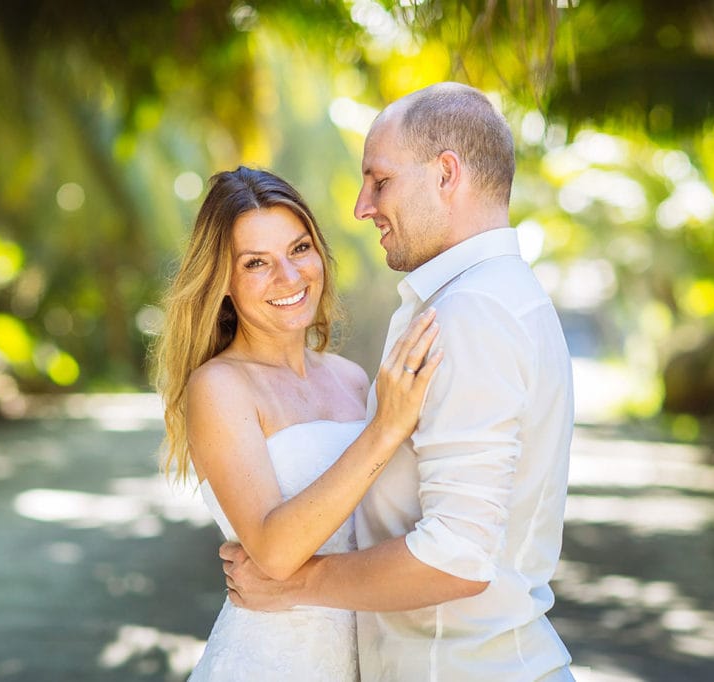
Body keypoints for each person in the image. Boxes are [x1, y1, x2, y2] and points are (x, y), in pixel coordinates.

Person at [220, 82, 577, 681]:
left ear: (445, 174)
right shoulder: (493, 298)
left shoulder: (471, 314)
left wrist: (295, 584)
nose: (362, 207)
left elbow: (458, 558)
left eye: (379, 180)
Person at [153, 166, 444, 680]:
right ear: (222, 281)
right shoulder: (219, 387)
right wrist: (384, 430)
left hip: (370, 660)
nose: (289, 277)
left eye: (299, 248)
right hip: (270, 662)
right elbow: (276, 551)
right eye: (256, 263)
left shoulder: (352, 379)